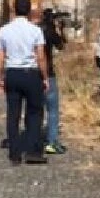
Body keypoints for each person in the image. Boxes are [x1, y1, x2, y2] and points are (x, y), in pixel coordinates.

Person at [0, 0, 49, 165]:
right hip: (30, 73)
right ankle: (33, 150)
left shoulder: (4, 30)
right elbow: (40, 57)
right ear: (29, 10)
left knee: (13, 114)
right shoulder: (35, 30)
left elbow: (0, 57)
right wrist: (45, 77)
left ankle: (14, 153)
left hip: (12, 73)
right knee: (34, 112)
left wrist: (0, 76)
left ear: (14, 8)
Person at [37, 8, 67, 154]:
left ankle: (35, 139)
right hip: (48, 72)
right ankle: (52, 141)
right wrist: (60, 30)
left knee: (36, 109)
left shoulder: (36, 30)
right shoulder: (50, 31)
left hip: (33, 72)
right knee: (53, 110)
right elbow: (61, 45)